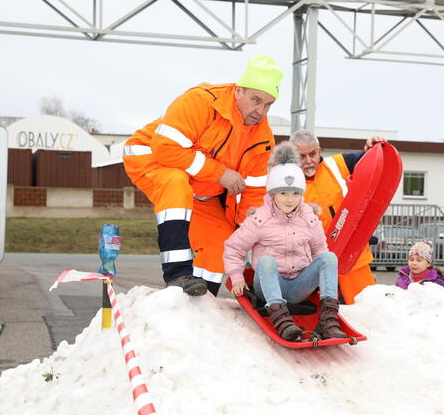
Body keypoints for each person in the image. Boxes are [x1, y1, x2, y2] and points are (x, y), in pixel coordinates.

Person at [122, 55, 283, 296]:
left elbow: (253, 193)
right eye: (255, 100)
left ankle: (201, 298)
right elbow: (165, 148)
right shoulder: (202, 101)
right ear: (239, 91)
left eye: (268, 104)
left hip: (201, 188)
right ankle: (177, 274)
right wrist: (220, 173)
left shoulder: (262, 138)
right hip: (152, 158)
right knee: (175, 183)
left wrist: (250, 235)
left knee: (222, 236)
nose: (260, 110)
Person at [223, 142, 346, 342]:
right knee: (266, 260)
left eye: (296, 193)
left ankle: (327, 319)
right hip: (268, 286)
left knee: (328, 257)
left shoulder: (309, 218)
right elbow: (233, 248)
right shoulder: (260, 219)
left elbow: (319, 250)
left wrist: (320, 279)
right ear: (272, 193)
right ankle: (281, 320)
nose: (290, 200)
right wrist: (237, 277)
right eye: (283, 193)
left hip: (298, 287)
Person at [289, 130, 385, 305]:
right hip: (313, 266)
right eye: (302, 156)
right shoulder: (286, 184)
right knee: (322, 316)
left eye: (312, 154)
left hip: (352, 259)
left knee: (367, 311)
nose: (309, 161)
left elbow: (369, 159)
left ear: (319, 151)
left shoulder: (336, 165)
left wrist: (371, 147)